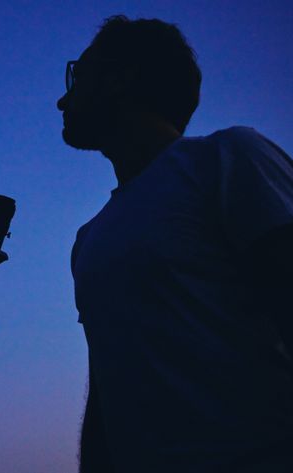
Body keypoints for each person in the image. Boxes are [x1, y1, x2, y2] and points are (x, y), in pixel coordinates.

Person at [57, 15, 293, 473]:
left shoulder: (228, 158)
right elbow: (107, 387)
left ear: (121, 79)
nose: (63, 98)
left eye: (77, 77)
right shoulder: (89, 240)